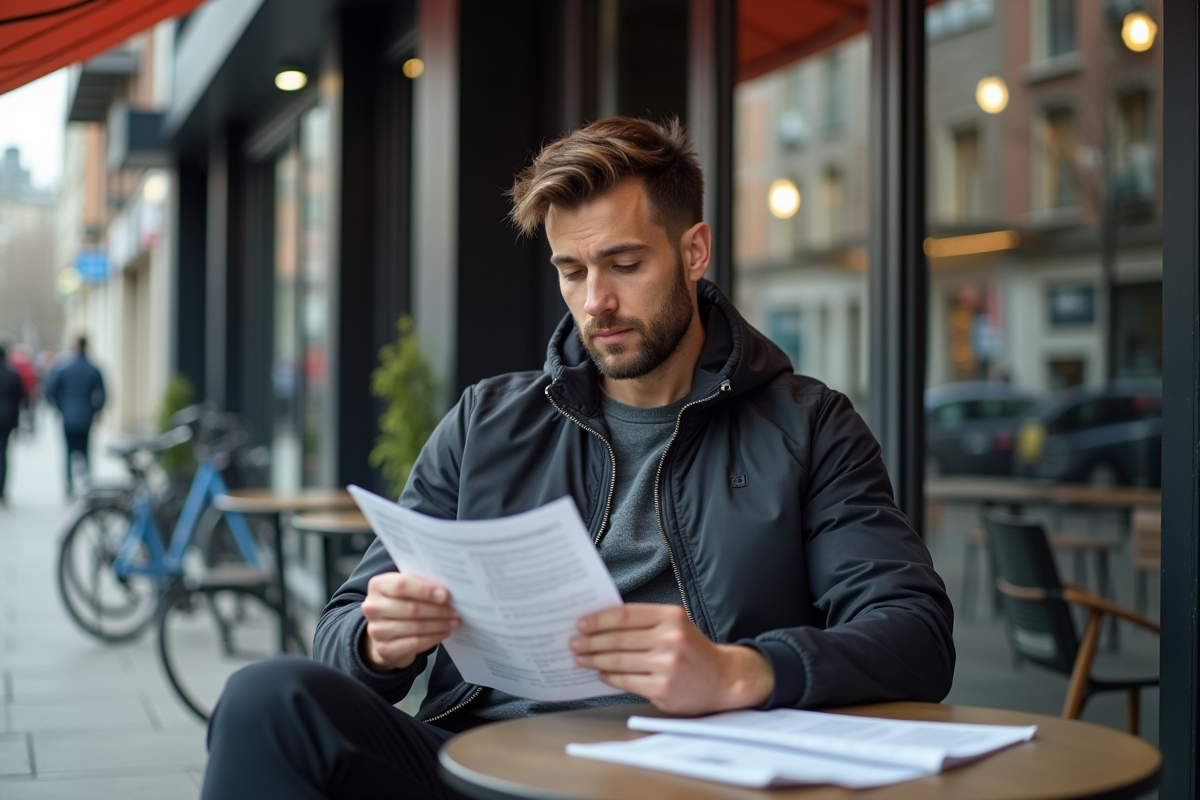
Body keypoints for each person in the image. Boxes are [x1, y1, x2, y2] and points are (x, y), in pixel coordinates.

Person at [201, 118, 955, 800]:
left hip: (689, 773)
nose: (595, 301)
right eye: (572, 271)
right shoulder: (485, 422)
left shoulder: (807, 424)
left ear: (694, 251)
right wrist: (376, 640)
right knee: (268, 699)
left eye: (624, 264)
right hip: (481, 767)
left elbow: (914, 631)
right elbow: (340, 627)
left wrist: (739, 672)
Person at [44, 336, 106, 495]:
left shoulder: (64, 368)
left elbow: (49, 391)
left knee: (68, 452)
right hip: (86, 416)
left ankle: (69, 485)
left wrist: (60, 407)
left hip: (68, 416)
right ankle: (87, 484)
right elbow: (104, 394)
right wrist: (95, 410)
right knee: (85, 451)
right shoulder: (94, 368)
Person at [0, 342, 29, 506]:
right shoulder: (12, 374)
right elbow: (21, 398)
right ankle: (2, 489)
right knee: (3, 454)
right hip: (7, 419)